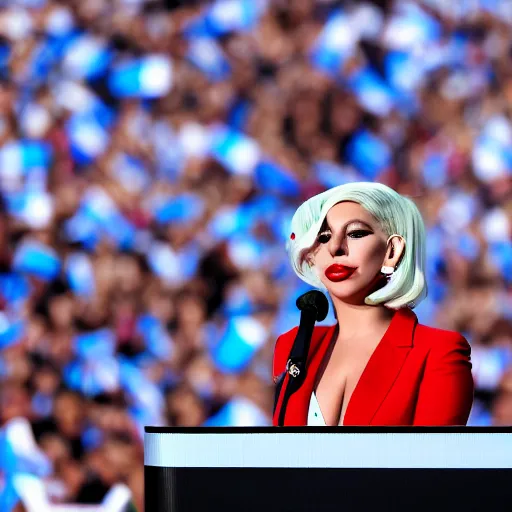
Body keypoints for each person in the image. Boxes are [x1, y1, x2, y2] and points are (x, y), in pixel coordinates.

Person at [272, 182, 474, 426]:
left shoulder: (439, 352)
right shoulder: (292, 346)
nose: (335, 247)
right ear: (312, 256)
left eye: (356, 233)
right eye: (323, 236)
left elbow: (434, 461)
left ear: (392, 250)